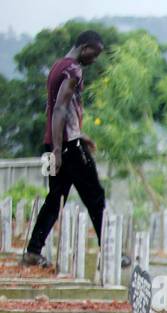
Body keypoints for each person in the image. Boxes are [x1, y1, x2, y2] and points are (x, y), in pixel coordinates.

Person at [23, 31, 108, 268]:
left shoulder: (56, 67)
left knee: (54, 198)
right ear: (85, 48)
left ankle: (32, 251)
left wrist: (72, 139)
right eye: (95, 53)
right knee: (95, 196)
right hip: (68, 148)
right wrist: (61, 151)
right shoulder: (74, 71)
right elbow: (60, 108)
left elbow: (59, 110)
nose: (95, 59)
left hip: (52, 143)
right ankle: (110, 252)